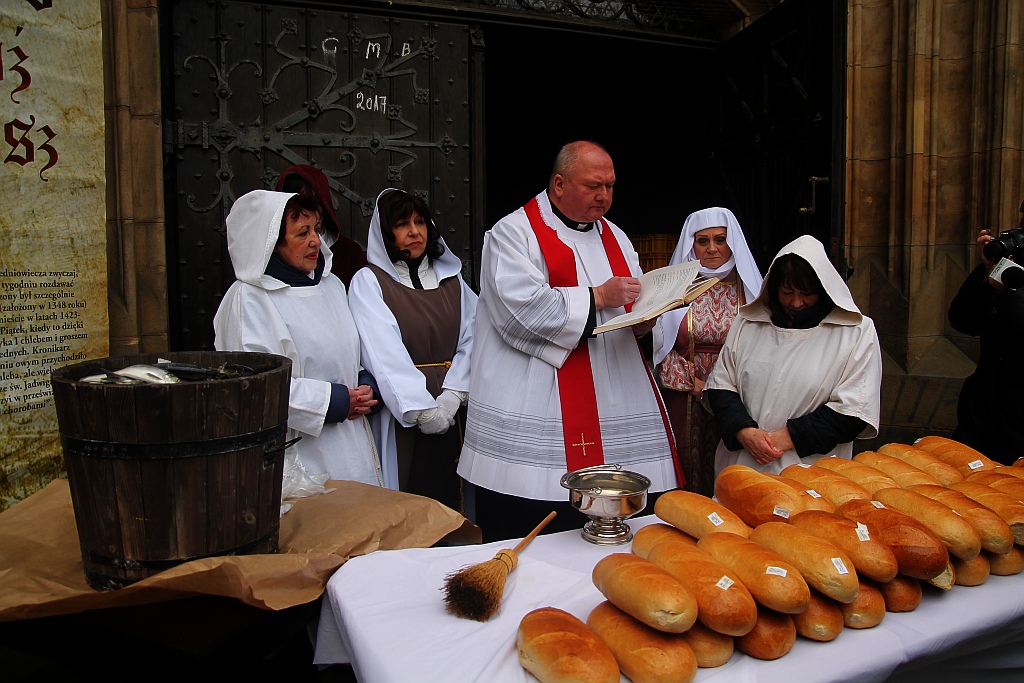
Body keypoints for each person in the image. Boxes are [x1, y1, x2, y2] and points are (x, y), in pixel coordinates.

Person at [458, 140, 680, 542]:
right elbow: (519, 311)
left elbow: (632, 303)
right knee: (535, 529)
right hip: (539, 397)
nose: (605, 196)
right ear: (559, 184)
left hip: (614, 397)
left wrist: (645, 322)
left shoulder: (615, 236)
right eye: (594, 185)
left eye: (611, 186)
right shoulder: (512, 233)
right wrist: (597, 297)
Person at [213, 189, 384, 487]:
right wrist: (336, 401)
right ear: (271, 243)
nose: (316, 240)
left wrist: (366, 383)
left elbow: (348, 354)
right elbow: (254, 388)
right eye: (302, 233)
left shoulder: (331, 285)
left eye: (316, 229)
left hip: (353, 447)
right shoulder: (249, 300)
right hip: (296, 458)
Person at [704, 234, 882, 475]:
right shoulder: (748, 324)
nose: (796, 303)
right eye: (787, 293)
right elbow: (721, 387)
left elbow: (854, 410)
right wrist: (744, 432)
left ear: (824, 289)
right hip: (742, 464)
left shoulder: (855, 332)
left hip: (811, 472)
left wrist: (785, 439)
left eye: (806, 293)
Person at [348, 188, 478, 510]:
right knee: (410, 496)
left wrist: (453, 394)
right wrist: (421, 409)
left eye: (420, 221)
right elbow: (382, 351)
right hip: (404, 413)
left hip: (455, 409)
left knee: (456, 498)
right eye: (402, 224)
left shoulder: (452, 281)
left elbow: (475, 337)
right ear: (385, 233)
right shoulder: (370, 282)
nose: (415, 232)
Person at [654, 208, 763, 497]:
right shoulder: (676, 288)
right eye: (702, 241)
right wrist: (694, 384)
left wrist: (722, 391)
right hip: (686, 394)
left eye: (720, 239)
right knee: (687, 466)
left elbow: (764, 344)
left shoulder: (751, 290)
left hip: (738, 394)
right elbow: (657, 344)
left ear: (733, 243)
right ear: (692, 246)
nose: (712, 248)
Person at [947, 227, 1024, 465]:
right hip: (982, 419)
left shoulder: (1010, 287)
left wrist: (1007, 293)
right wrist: (987, 275)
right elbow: (962, 321)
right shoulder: (1012, 269)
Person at [275, 164, 368, 288]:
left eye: (312, 202)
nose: (307, 209)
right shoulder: (273, 257)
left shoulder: (350, 253)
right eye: (298, 203)